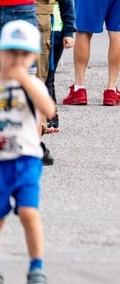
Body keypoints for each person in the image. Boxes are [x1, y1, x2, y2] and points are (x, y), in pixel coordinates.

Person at [0, 20, 57, 284]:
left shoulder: (32, 85)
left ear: (33, 57)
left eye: (24, 54)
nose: (17, 59)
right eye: (11, 52)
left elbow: (49, 109)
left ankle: (37, 266)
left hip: (25, 160)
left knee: (28, 212)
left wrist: (24, 79)